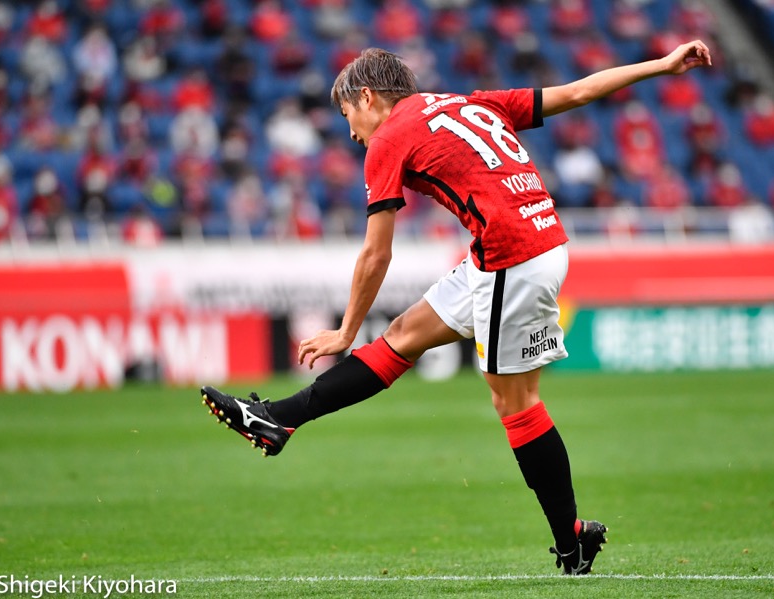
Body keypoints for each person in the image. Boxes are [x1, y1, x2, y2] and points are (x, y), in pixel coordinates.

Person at [201, 40, 713, 576]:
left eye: (348, 115)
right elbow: (579, 90)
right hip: (524, 244)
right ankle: (278, 419)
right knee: (403, 334)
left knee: (515, 404)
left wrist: (345, 330)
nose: (351, 132)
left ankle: (571, 541)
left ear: (369, 97)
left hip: (514, 257)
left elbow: (377, 251)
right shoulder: (468, 102)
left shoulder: (389, 139)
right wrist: (662, 64)